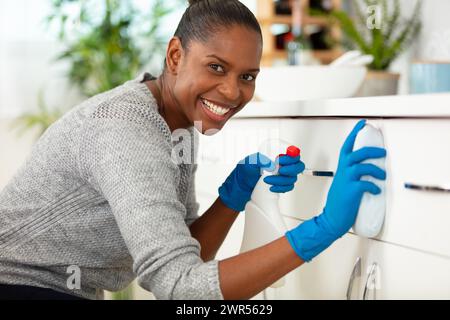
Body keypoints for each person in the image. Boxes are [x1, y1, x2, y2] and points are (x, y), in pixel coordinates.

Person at [0, 0, 386, 300]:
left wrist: (234, 195)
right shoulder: (126, 129)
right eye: (216, 67)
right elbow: (179, 287)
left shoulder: (178, 123)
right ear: (175, 56)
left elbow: (187, 258)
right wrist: (324, 228)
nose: (233, 92)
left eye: (247, 76)